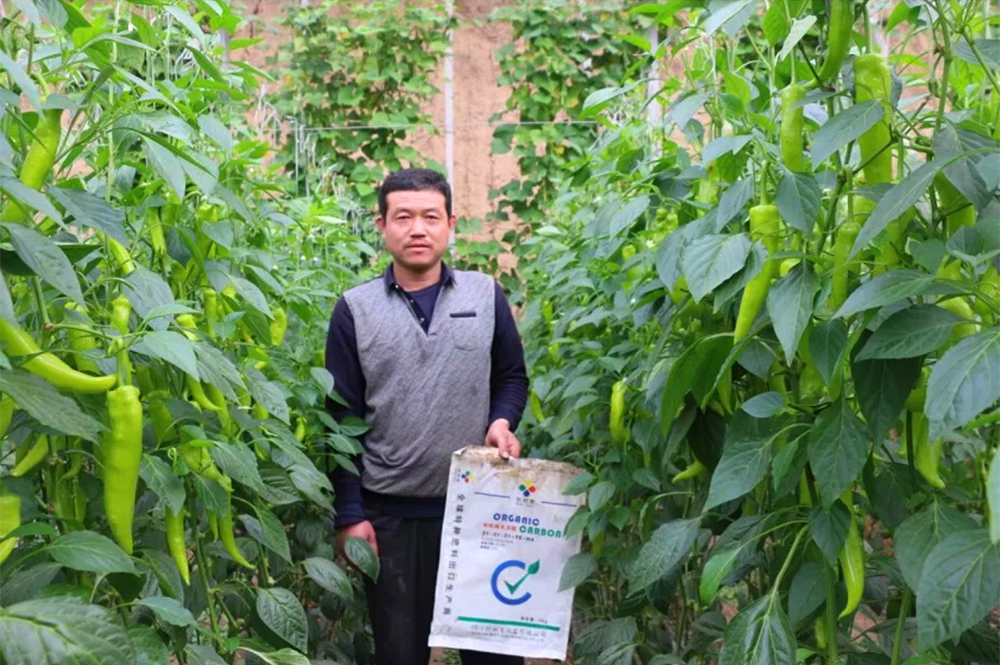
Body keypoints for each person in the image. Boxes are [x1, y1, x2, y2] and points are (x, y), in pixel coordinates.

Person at [325, 168, 529, 665]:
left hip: (480, 508)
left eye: (430, 217)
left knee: (492, 655)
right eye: (404, 217)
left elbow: (511, 377)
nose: (418, 229)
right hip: (391, 513)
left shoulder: (485, 296)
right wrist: (350, 515)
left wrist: (502, 421)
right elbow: (340, 417)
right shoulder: (355, 309)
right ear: (382, 225)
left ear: (450, 224)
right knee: (400, 653)